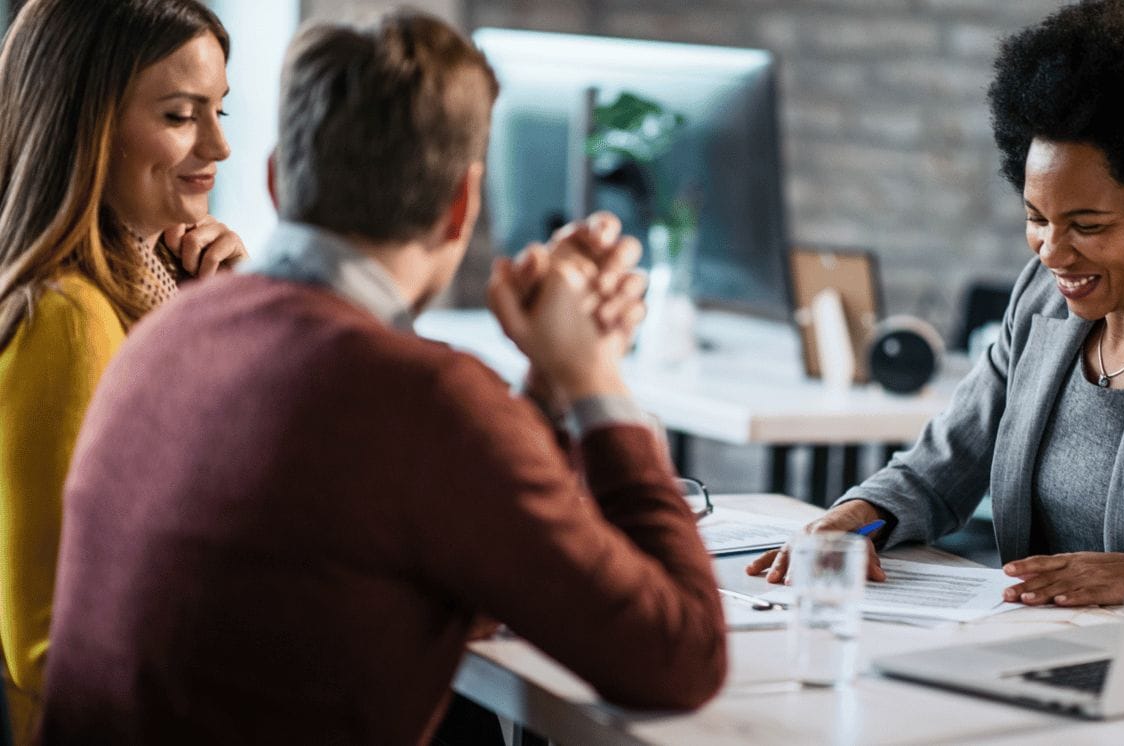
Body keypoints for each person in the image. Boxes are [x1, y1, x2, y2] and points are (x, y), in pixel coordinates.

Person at [40, 9, 725, 743]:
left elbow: (463, 548)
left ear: (277, 181)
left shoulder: (166, 329)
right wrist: (596, 379)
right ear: (461, 203)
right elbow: (680, 658)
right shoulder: (427, 400)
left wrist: (547, 396)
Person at [748, 0, 1124, 607]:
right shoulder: (1040, 304)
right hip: (1030, 653)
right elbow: (942, 465)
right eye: (1036, 218)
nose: (1053, 252)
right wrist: (854, 516)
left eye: (1087, 225)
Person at [0, 0, 245, 737]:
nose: (218, 146)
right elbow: (51, 645)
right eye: (179, 116)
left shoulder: (140, 294)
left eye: (220, 111)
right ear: (86, 125)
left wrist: (212, 324)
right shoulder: (68, 319)